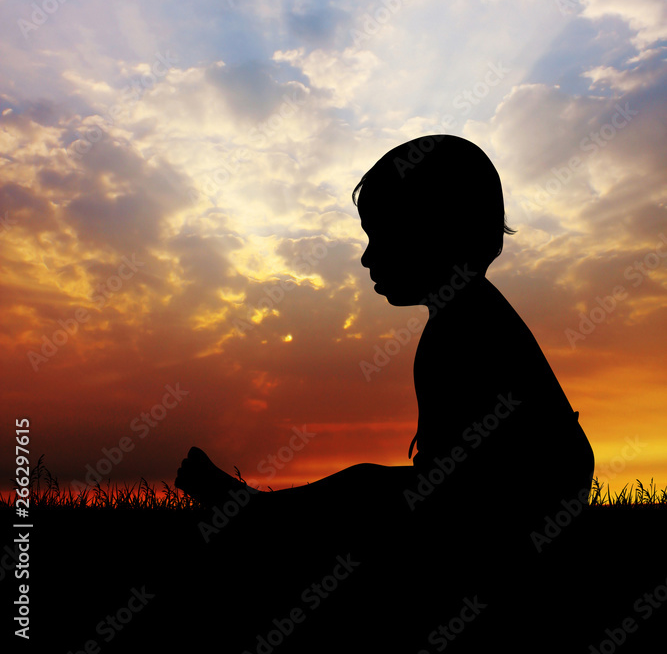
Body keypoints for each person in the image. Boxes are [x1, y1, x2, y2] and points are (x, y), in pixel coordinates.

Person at [175, 135, 595, 645]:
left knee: (364, 492)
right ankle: (258, 518)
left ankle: (254, 521)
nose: (366, 258)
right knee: (368, 490)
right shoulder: (466, 315)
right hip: (517, 503)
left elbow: (464, 482)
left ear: (437, 233)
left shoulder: (463, 327)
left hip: (512, 512)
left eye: (382, 236)